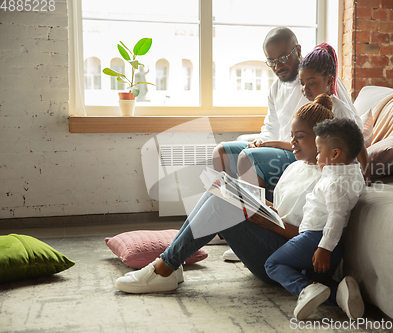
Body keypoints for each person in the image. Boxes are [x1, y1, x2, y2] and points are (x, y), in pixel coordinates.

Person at [114, 95, 364, 321]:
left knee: (223, 200)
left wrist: (265, 220)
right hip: (279, 241)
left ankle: (164, 268)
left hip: (296, 262)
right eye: (292, 135)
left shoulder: (328, 180)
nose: (292, 143)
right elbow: (284, 208)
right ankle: (171, 264)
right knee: (221, 189)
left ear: (321, 139)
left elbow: (311, 236)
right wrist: (261, 204)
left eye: (300, 137)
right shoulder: (296, 167)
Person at [212, 27, 358, 190]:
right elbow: (271, 126)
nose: (277, 66)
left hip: (302, 154)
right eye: (271, 61)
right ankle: (230, 208)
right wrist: (262, 141)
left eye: (282, 58)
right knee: (221, 153)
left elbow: (352, 125)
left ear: (298, 50)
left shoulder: (318, 79)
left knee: (248, 158)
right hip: (277, 148)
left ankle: (258, 214)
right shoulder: (275, 88)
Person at [265, 116, 366, 321]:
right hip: (331, 247)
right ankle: (340, 292)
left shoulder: (333, 183)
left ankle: (306, 289)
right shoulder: (353, 173)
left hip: (315, 240)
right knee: (312, 279)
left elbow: (337, 217)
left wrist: (323, 248)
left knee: (273, 265)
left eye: (319, 151)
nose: (317, 156)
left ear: (335, 154)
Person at [298, 43, 371, 185]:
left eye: (312, 83)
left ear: (329, 81)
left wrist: (367, 178)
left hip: (341, 172)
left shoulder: (339, 109)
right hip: (323, 166)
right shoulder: (312, 109)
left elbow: (359, 144)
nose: (305, 89)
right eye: (302, 83)